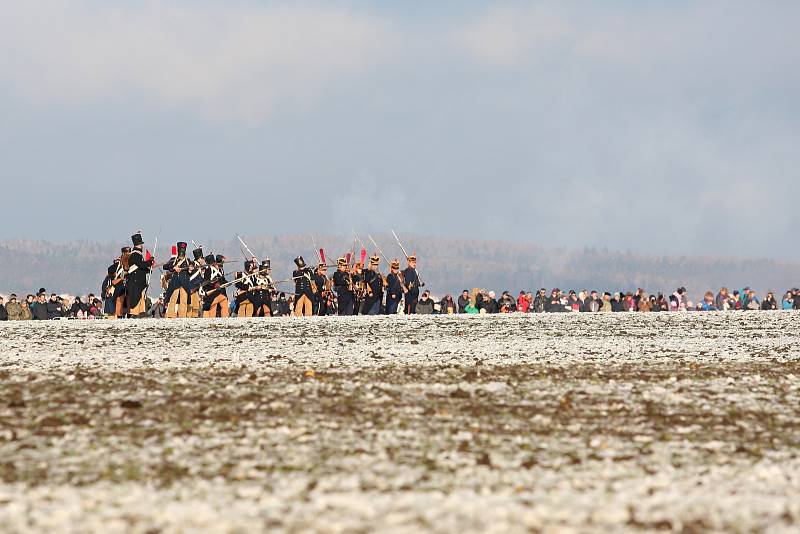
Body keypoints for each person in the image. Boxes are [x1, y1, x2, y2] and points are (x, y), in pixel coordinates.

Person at [126, 233, 155, 318]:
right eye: (141, 244)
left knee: (141, 297)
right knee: (136, 297)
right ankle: (135, 313)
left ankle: (141, 311)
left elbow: (140, 268)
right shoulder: (135, 254)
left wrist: (148, 270)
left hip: (139, 281)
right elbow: (141, 264)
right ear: (139, 245)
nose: (142, 246)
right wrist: (149, 262)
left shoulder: (138, 254)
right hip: (135, 281)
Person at [163, 242, 191, 319]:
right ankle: (170, 315)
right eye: (181, 252)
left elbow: (192, 269)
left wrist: (190, 269)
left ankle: (182, 315)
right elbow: (165, 266)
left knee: (184, 300)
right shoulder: (173, 260)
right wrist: (173, 267)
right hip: (175, 282)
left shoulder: (188, 261)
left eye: (183, 252)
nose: (182, 254)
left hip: (185, 282)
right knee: (173, 299)